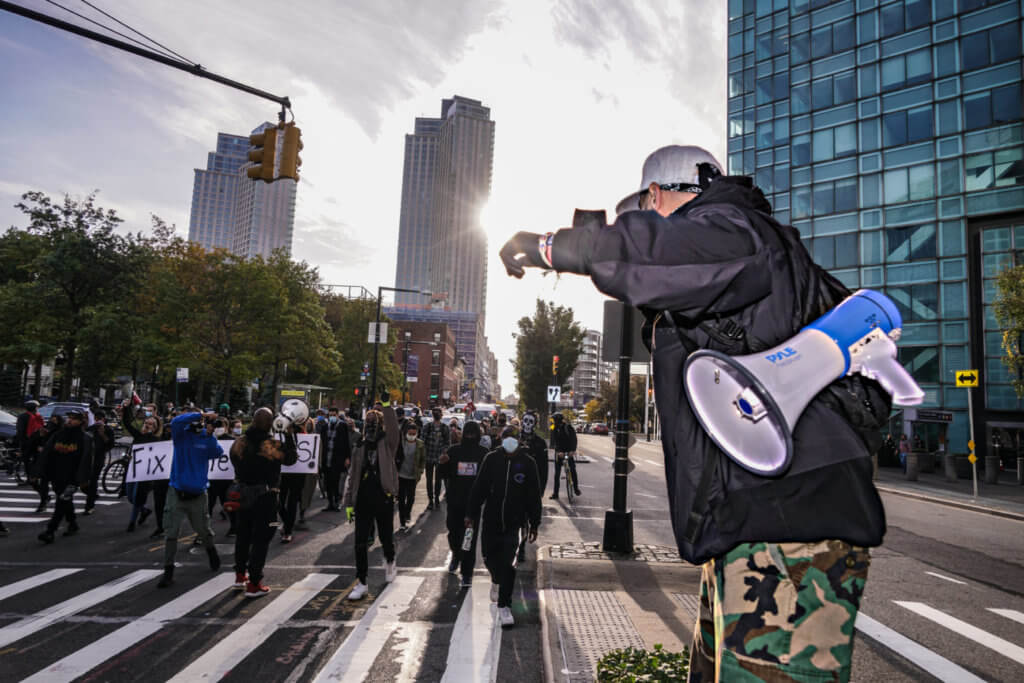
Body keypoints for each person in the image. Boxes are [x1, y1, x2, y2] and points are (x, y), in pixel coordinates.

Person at [498, 144, 889, 681]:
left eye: (641, 213)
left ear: (658, 195)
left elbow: (657, 254)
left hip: (789, 526)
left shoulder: (731, 228)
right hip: (756, 520)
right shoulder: (745, 243)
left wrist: (549, 247)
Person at [466, 426, 542, 627]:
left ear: (519, 441)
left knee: (509, 563)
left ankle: (505, 606)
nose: (510, 442)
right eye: (506, 438)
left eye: (514, 438)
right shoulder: (491, 459)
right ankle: (496, 580)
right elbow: (479, 487)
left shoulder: (528, 463)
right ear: (502, 439)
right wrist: (471, 514)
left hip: (515, 523)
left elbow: (534, 496)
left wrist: (535, 523)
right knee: (490, 558)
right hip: (491, 519)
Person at [230, 407, 299, 597]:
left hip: (242, 494)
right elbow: (291, 459)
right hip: (265, 497)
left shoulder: (239, 443)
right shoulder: (269, 445)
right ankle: (254, 583)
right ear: (270, 424)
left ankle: (239, 575)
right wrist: (289, 435)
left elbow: (234, 462)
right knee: (262, 538)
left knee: (243, 535)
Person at [158, 409, 225, 588]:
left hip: (198, 494)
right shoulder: (181, 436)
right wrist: (200, 415)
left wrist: (210, 434)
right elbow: (176, 422)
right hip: (177, 491)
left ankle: (211, 552)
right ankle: (168, 570)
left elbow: (217, 453)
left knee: (204, 530)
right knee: (171, 533)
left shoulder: (206, 438)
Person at [343, 399, 400, 600]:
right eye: (368, 423)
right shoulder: (359, 445)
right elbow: (353, 475)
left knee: (385, 537)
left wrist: (386, 406)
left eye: (374, 422)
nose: (370, 426)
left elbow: (394, 428)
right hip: (363, 499)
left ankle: (390, 561)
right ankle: (362, 582)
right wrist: (349, 502)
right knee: (360, 542)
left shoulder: (388, 443)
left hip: (383, 497)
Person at [33, 408, 93, 543]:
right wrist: (37, 472)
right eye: (69, 417)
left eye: (73, 418)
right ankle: (72, 523)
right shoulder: (59, 435)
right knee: (65, 500)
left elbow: (87, 461)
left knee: (61, 501)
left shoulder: (85, 438)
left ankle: (50, 531)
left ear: (80, 421)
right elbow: (47, 453)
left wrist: (83, 480)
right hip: (56, 474)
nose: (69, 420)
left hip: (72, 477)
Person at [439, 420, 488, 585]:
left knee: (469, 539)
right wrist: (443, 463)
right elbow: (443, 474)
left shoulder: (483, 453)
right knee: (453, 533)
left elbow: (488, 479)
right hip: (454, 500)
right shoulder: (454, 451)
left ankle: (467, 571)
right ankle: (455, 554)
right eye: (467, 433)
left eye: (473, 434)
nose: (470, 437)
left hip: (473, 503)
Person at [118, 404, 165, 534]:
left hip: (146, 473)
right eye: (146, 423)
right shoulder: (138, 436)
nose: (147, 425)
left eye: (150, 424)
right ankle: (144, 510)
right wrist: (127, 408)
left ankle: (132, 522)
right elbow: (127, 423)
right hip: (133, 469)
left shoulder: (157, 440)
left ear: (155, 428)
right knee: (130, 496)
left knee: (137, 496)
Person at [518, 411, 549, 561]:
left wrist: (541, 488)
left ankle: (521, 546)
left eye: (531, 421)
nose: (528, 424)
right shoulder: (514, 439)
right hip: (513, 483)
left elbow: (544, 468)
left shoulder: (540, 443)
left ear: (535, 424)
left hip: (530, 487)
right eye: (526, 421)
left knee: (526, 518)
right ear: (522, 421)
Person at [318, 407, 351, 512]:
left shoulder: (342, 426)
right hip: (326, 458)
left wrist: (347, 457)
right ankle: (330, 503)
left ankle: (336, 502)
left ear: (337, 415)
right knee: (327, 482)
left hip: (337, 459)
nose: (332, 417)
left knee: (336, 482)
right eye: (330, 415)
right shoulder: (324, 427)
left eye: (334, 415)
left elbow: (347, 443)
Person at [26, 415, 61, 513]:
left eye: (55, 421)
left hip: (53, 462)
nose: (51, 423)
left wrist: (46, 449)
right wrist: (40, 436)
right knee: (33, 481)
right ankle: (45, 498)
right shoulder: (43, 430)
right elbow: (32, 443)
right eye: (51, 421)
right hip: (40, 461)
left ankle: (45, 502)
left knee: (51, 485)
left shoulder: (60, 433)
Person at [84, 408, 114, 515]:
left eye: (100, 419)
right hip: (88, 459)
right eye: (96, 418)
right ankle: (93, 494)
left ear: (104, 419)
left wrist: (103, 435)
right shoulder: (91, 428)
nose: (98, 421)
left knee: (93, 480)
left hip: (99, 459)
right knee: (85, 482)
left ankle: (89, 505)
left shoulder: (108, 430)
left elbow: (110, 445)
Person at [396, 421, 425, 531]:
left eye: (414, 434)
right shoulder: (400, 443)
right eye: (410, 433)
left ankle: (407, 513)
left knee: (411, 498)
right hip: (401, 475)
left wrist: (421, 471)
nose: (412, 436)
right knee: (401, 499)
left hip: (412, 476)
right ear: (406, 432)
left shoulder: (420, 444)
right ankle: (402, 521)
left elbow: (423, 459)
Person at [421, 408, 450, 510]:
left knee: (438, 480)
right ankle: (430, 500)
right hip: (429, 457)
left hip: (439, 457)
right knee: (429, 479)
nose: (437, 415)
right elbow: (422, 442)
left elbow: (447, 442)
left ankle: (436, 498)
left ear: (441, 415)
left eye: (438, 413)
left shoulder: (444, 428)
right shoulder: (427, 427)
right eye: (435, 413)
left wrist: (444, 451)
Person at [549, 414, 581, 500]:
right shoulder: (553, 428)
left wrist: (572, 450)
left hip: (568, 452)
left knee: (572, 469)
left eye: (554, 420)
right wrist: (558, 451)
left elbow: (574, 439)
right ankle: (555, 493)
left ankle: (576, 488)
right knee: (557, 474)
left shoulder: (568, 427)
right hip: (559, 453)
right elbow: (553, 441)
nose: (553, 422)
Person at [16, 400, 44, 481]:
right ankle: (35, 476)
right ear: (35, 408)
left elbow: (20, 430)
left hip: (27, 441)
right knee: (36, 460)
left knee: (26, 460)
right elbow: (41, 428)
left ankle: (30, 477)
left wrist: (20, 441)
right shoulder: (38, 416)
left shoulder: (23, 416)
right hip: (37, 441)